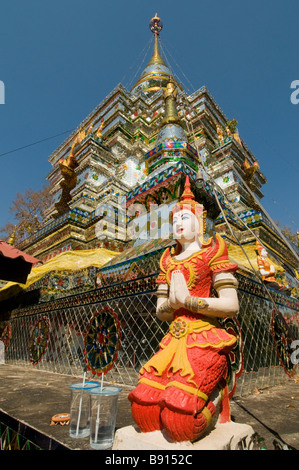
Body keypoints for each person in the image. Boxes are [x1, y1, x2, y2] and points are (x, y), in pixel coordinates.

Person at [128, 176, 239, 442]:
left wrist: (190, 301)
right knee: (143, 411)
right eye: (175, 220)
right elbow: (161, 311)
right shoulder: (167, 260)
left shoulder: (212, 252)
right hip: (173, 339)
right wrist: (172, 304)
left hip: (203, 338)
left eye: (184, 219)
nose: (178, 224)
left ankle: (217, 396)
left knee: (180, 424)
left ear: (200, 224)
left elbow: (231, 306)